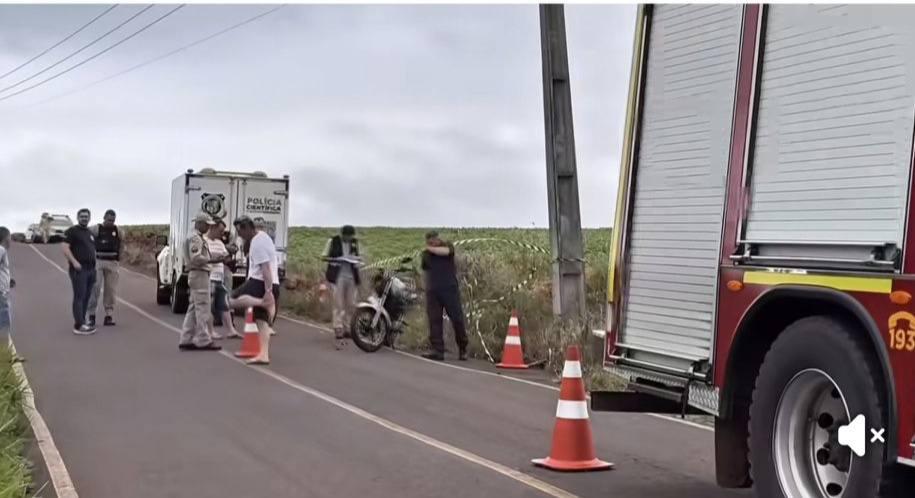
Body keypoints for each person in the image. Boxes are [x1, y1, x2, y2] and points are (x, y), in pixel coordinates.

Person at [232, 216, 279, 365]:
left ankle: (263, 302)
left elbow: (265, 268)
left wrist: (268, 291)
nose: (239, 235)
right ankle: (264, 354)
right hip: (267, 282)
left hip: (260, 282)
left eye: (240, 232)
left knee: (228, 301)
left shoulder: (258, 243)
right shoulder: (261, 238)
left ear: (248, 228)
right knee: (261, 322)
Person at [421, 231, 468, 361]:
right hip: (433, 290)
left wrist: (430, 249)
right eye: (429, 241)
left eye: (433, 240)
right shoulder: (425, 255)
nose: (432, 242)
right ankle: (437, 350)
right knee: (434, 321)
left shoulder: (447, 246)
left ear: (438, 238)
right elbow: (425, 268)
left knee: (457, 318)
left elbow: (446, 252)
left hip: (449, 288)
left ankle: (463, 348)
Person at [178, 213, 222, 352]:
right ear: (200, 224)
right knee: (203, 307)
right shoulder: (195, 238)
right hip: (199, 273)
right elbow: (196, 258)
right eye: (207, 224)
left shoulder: (195, 237)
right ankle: (203, 339)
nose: (209, 227)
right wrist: (212, 260)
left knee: (193, 308)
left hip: (197, 274)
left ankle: (186, 338)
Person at [322, 225, 362, 349]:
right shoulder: (333, 241)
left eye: (351, 237)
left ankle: (348, 327)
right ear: (342, 234)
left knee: (351, 303)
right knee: (338, 303)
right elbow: (324, 256)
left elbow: (358, 257)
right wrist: (336, 259)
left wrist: (357, 259)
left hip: (351, 276)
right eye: (347, 236)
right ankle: (338, 327)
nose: (349, 239)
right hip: (338, 276)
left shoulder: (355, 243)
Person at [63, 209, 98, 335]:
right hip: (79, 269)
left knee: (87, 297)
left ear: (89, 218)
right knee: (79, 296)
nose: (84, 218)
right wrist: (74, 262)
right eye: (82, 216)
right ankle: (78, 325)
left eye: (86, 216)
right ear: (78, 217)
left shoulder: (89, 233)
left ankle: (83, 321)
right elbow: (65, 248)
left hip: (90, 269)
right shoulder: (72, 231)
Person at [87, 209, 124, 328]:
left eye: (113, 220)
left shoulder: (118, 231)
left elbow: (122, 243)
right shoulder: (96, 229)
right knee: (95, 288)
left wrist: (120, 257)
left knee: (110, 290)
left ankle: (109, 315)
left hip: (112, 262)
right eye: (109, 220)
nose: (111, 222)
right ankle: (91, 315)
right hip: (98, 260)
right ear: (104, 218)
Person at [206, 219, 239, 340]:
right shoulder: (204, 242)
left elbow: (226, 257)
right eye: (220, 231)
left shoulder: (220, 243)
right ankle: (210, 331)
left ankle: (231, 330)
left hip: (220, 278)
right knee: (209, 305)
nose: (222, 234)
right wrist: (217, 258)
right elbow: (205, 258)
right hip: (209, 277)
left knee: (225, 305)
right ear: (213, 228)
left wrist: (231, 263)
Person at [0, 227, 14, 338]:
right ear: (5, 238)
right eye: (10, 237)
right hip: (1, 292)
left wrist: (8, 280)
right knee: (4, 322)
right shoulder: (1, 250)